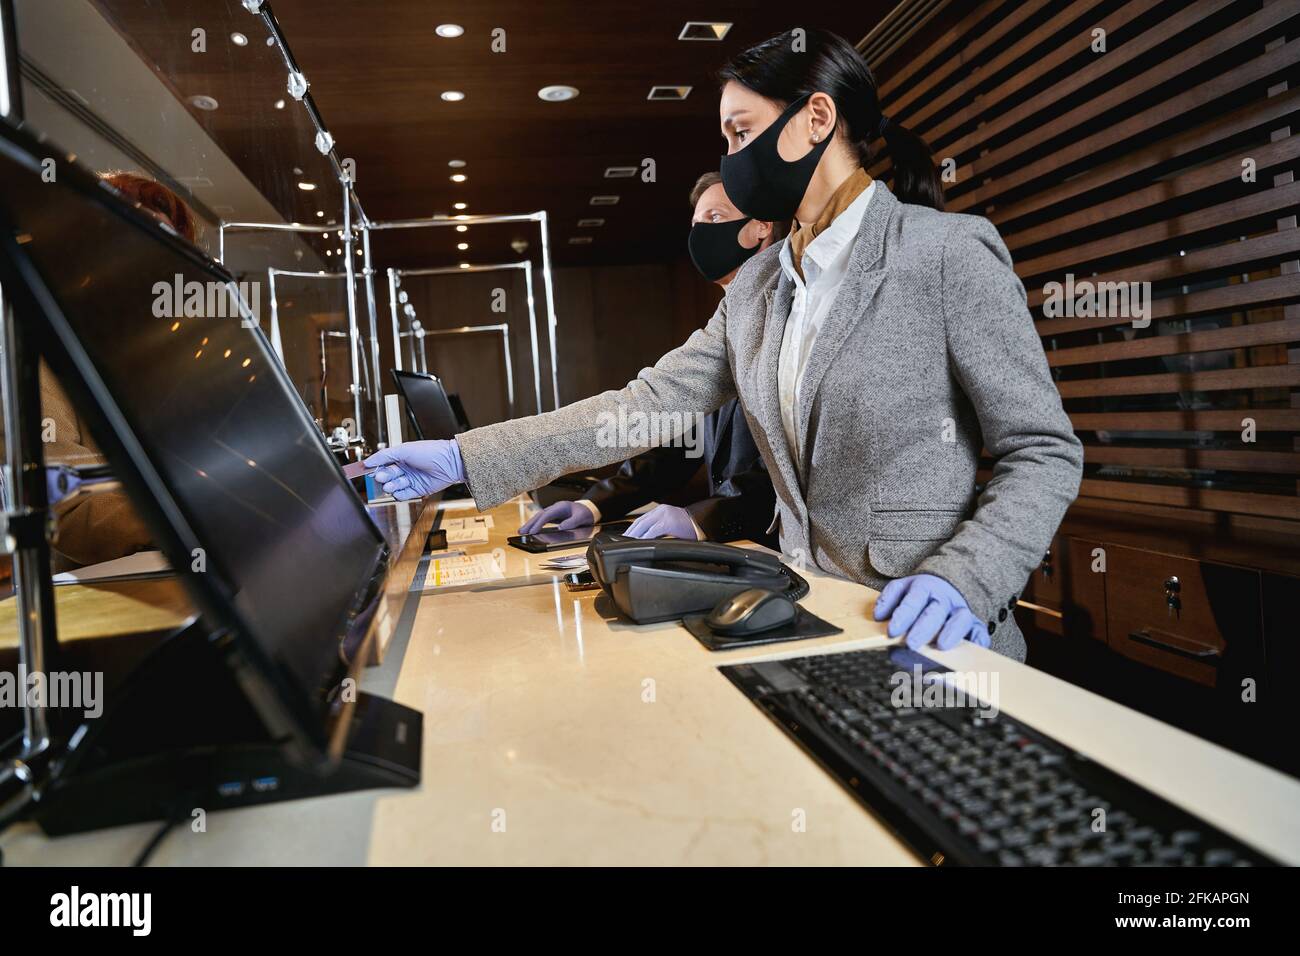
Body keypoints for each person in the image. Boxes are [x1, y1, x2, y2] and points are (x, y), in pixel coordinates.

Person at [365, 28, 1083, 661]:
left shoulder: (945, 253)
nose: (732, 156)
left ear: (816, 120)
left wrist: (966, 574)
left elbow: (1043, 450)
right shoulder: (760, 284)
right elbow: (644, 404)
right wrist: (465, 456)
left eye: (740, 133)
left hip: (931, 638)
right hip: (809, 624)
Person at [518, 171, 783, 545]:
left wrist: (699, 519)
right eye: (696, 224)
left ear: (761, 227)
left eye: (715, 218)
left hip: (794, 555)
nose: (700, 235)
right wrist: (594, 505)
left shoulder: (790, 316)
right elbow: (678, 444)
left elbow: (784, 470)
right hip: (745, 550)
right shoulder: (723, 327)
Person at [41, 171, 200, 570]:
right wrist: (202, 511)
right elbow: (67, 509)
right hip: (108, 599)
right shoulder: (44, 351)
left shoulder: (175, 355)